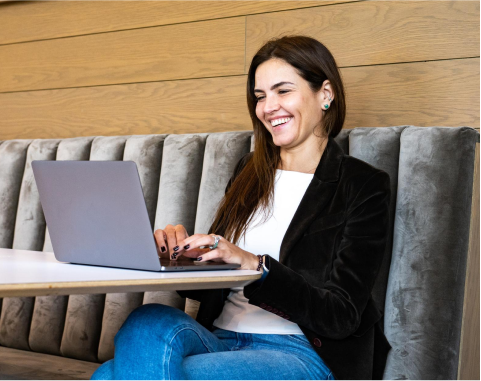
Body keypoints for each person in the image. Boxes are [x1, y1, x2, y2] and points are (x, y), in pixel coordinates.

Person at [91, 35, 392, 381]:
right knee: (146, 321)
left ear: (325, 94)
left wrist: (256, 266)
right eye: (260, 96)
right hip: (220, 337)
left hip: (298, 351)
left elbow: (341, 315)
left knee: (108, 376)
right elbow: (216, 274)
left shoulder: (363, 185)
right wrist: (183, 257)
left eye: (283, 91)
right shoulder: (249, 170)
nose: (268, 107)